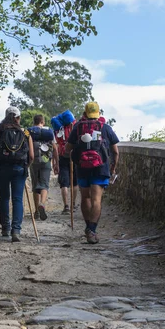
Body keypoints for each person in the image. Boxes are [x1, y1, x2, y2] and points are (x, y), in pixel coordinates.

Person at [65, 102, 119, 244]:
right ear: (98, 113)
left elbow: (67, 149)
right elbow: (115, 152)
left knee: (85, 198)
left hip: (82, 167)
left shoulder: (77, 127)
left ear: (85, 113)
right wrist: (113, 168)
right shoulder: (106, 128)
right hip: (100, 168)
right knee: (96, 199)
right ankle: (92, 230)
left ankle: (88, 226)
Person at [0, 107, 34, 242]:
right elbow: (31, 156)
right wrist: (26, 167)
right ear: (18, 117)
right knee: (17, 199)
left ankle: (5, 228)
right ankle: (16, 231)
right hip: (19, 168)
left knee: (4, 198)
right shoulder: (25, 132)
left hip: (2, 168)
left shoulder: (0, 131)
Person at [28, 115, 58, 221]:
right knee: (44, 185)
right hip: (46, 160)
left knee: (35, 185)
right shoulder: (49, 132)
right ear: (43, 122)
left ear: (34, 122)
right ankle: (42, 203)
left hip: (34, 161)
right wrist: (56, 163)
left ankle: (36, 211)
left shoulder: (30, 132)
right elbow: (54, 148)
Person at [52, 110, 78, 215]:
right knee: (75, 182)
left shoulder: (58, 130)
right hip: (74, 156)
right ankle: (73, 204)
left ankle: (66, 206)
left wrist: (55, 162)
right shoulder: (74, 127)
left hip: (62, 156)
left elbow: (56, 145)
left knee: (64, 183)